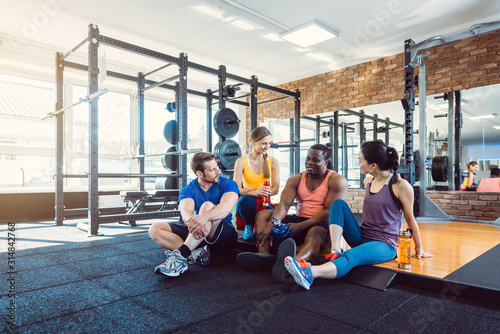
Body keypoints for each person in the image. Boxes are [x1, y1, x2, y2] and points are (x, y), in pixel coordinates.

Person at [284, 140, 433, 290]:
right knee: (338, 204)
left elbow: (410, 219)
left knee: (350, 256)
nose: (358, 164)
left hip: (384, 244)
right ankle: (335, 249)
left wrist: (419, 248)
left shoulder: (401, 186)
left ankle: (309, 272)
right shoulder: (368, 181)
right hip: (361, 236)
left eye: (360, 160)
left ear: (373, 165)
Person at [237, 144, 348, 282]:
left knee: (315, 234)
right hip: (299, 219)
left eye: (315, 160)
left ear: (325, 162)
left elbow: (329, 212)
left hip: (322, 225)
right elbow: (284, 204)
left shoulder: (337, 180)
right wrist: (271, 225)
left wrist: (301, 226)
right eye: (308, 159)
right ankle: (264, 254)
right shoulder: (296, 179)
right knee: (263, 215)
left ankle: (294, 264)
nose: (309, 163)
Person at [148, 152, 239, 277]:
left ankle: (181, 256)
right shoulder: (188, 189)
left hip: (224, 237)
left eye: (216, 167)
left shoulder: (228, 184)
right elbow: (186, 212)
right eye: (213, 170)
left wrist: (203, 217)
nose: (218, 172)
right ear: (199, 174)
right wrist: (197, 221)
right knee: (155, 229)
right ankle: (193, 255)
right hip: (200, 233)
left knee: (207, 206)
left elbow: (227, 208)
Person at [233, 126, 280, 240]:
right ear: (253, 142)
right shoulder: (241, 162)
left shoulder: (273, 162)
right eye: (264, 143)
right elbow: (236, 188)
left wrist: (264, 192)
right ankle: (248, 226)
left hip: (265, 200)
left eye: (269, 143)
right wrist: (255, 193)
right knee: (248, 201)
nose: (267, 147)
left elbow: (276, 189)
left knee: (274, 219)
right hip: (247, 201)